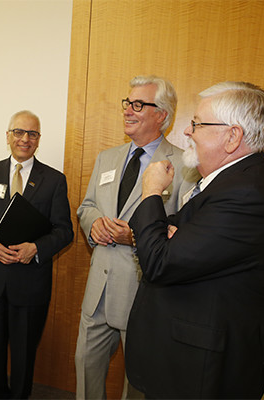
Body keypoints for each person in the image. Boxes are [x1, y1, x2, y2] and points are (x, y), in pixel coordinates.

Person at [126, 81, 264, 399]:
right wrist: (168, 235)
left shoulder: (247, 193)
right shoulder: (229, 183)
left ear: (232, 137)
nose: (188, 132)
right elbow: (174, 234)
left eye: (197, 124)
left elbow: (159, 262)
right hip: (188, 360)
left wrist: (151, 192)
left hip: (205, 372)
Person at [75, 75, 198, 399]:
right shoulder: (107, 158)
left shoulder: (183, 166)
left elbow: (183, 228)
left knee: (139, 386)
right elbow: (86, 206)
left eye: (138, 104)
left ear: (162, 114)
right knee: (85, 372)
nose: (128, 110)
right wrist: (94, 224)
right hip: (97, 291)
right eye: (127, 103)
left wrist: (138, 236)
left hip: (142, 294)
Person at [0, 110, 74, 399]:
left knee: (24, 354)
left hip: (30, 283)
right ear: (8, 135)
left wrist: (35, 249)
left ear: (39, 140)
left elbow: (65, 231)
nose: (25, 139)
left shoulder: (54, 180)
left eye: (32, 134)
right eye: (19, 132)